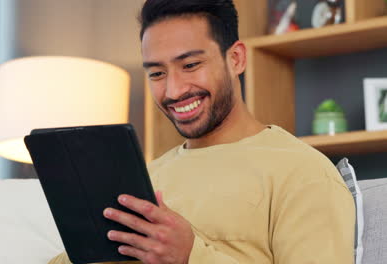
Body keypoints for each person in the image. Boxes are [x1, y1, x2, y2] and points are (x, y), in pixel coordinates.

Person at [49, 0, 355, 263]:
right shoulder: (143, 179)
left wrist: (189, 255)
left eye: (191, 64)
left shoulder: (303, 172)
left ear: (235, 59)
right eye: (157, 73)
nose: (173, 90)